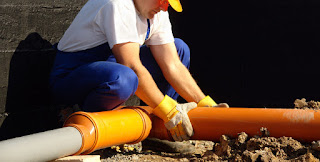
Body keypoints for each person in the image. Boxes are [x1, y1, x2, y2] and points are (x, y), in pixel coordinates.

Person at [50, 0, 228, 142]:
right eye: (162, 0)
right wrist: (170, 112)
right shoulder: (117, 4)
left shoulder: (156, 12)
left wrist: (207, 106)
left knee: (179, 49)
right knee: (124, 79)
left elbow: (172, 64)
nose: (165, 6)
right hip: (72, 77)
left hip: (113, 68)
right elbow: (131, 65)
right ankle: (81, 115)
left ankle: (164, 129)